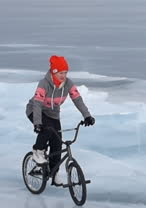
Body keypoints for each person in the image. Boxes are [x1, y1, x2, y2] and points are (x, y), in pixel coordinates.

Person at [26, 55, 95, 185]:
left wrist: (87, 116)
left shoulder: (68, 84)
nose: (64, 76)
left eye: (65, 72)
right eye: (61, 73)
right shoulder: (44, 84)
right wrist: (37, 124)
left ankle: (54, 172)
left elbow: (77, 99)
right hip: (35, 111)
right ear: (54, 72)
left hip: (53, 114)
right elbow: (37, 104)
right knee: (46, 130)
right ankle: (37, 151)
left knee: (57, 144)